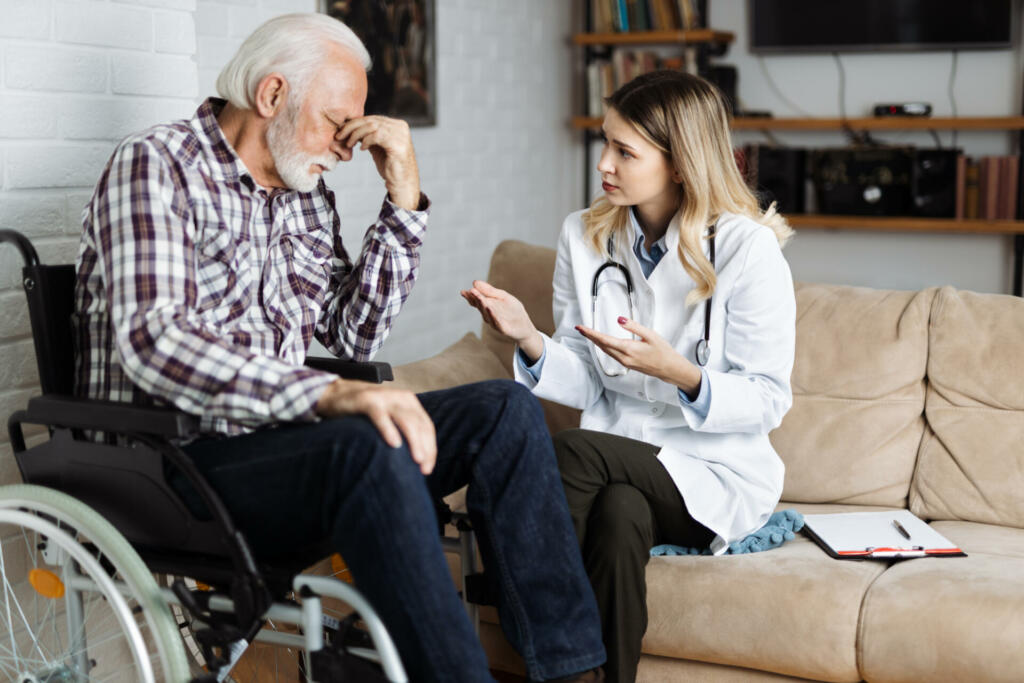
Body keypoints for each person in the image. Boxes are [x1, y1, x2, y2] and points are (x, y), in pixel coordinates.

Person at [72, 13, 605, 683]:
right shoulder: (157, 166)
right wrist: (330, 393)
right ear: (271, 97)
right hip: (174, 462)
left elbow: (353, 335)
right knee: (364, 441)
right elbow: (156, 340)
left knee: (506, 410)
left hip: (285, 446)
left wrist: (403, 198)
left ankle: (569, 670)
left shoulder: (305, 196)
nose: (347, 147)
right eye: (334, 122)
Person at [462, 70, 796, 683]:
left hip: (713, 472)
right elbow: (588, 380)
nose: (604, 165)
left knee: (567, 454)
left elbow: (769, 400)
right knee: (616, 516)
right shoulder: (583, 235)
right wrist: (529, 339)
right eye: (605, 144)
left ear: (678, 163)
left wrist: (684, 376)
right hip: (622, 464)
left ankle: (524, 624)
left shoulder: (748, 250)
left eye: (625, 151)